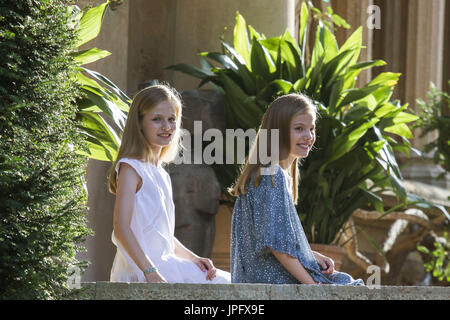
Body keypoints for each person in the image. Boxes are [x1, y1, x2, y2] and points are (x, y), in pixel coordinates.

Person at [229, 93, 364, 285]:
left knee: (345, 282)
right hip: (270, 281)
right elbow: (278, 248)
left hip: (270, 277)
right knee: (349, 287)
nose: (308, 136)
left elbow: (280, 240)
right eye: (299, 129)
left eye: (311, 129)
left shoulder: (276, 173)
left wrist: (313, 255)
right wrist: (312, 287)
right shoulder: (271, 175)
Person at [108, 84, 230, 284]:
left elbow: (162, 237)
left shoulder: (162, 174)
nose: (166, 127)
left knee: (228, 282)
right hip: (142, 271)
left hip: (165, 265)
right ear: (139, 124)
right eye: (157, 119)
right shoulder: (130, 168)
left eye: (172, 119)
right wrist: (150, 272)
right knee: (226, 285)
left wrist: (193, 258)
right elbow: (121, 227)